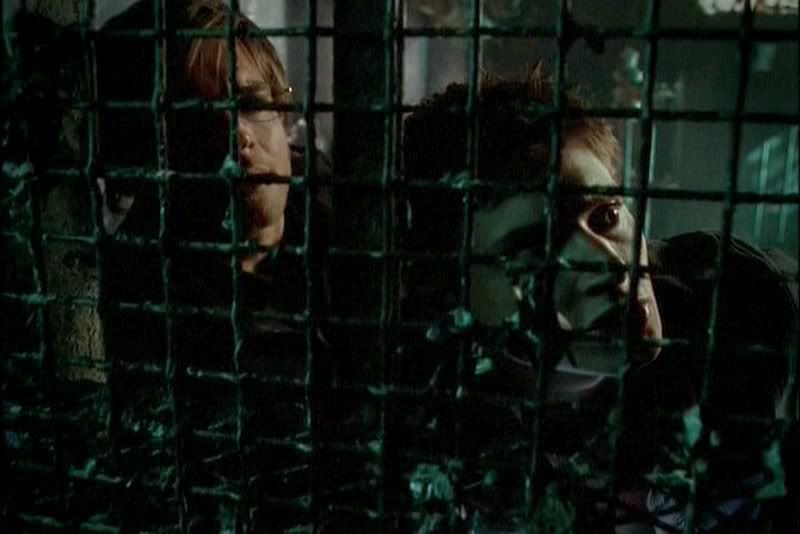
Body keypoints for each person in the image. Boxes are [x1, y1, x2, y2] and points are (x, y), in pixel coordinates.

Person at [398, 68, 797, 532]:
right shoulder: (427, 421)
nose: (610, 265)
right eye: (537, 253)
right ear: (453, 290)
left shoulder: (745, 307)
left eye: (607, 216)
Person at [96, 0, 332, 530]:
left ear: (283, 114)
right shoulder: (142, 295)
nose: (237, 136)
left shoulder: (347, 233)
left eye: (250, 104)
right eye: (201, 121)